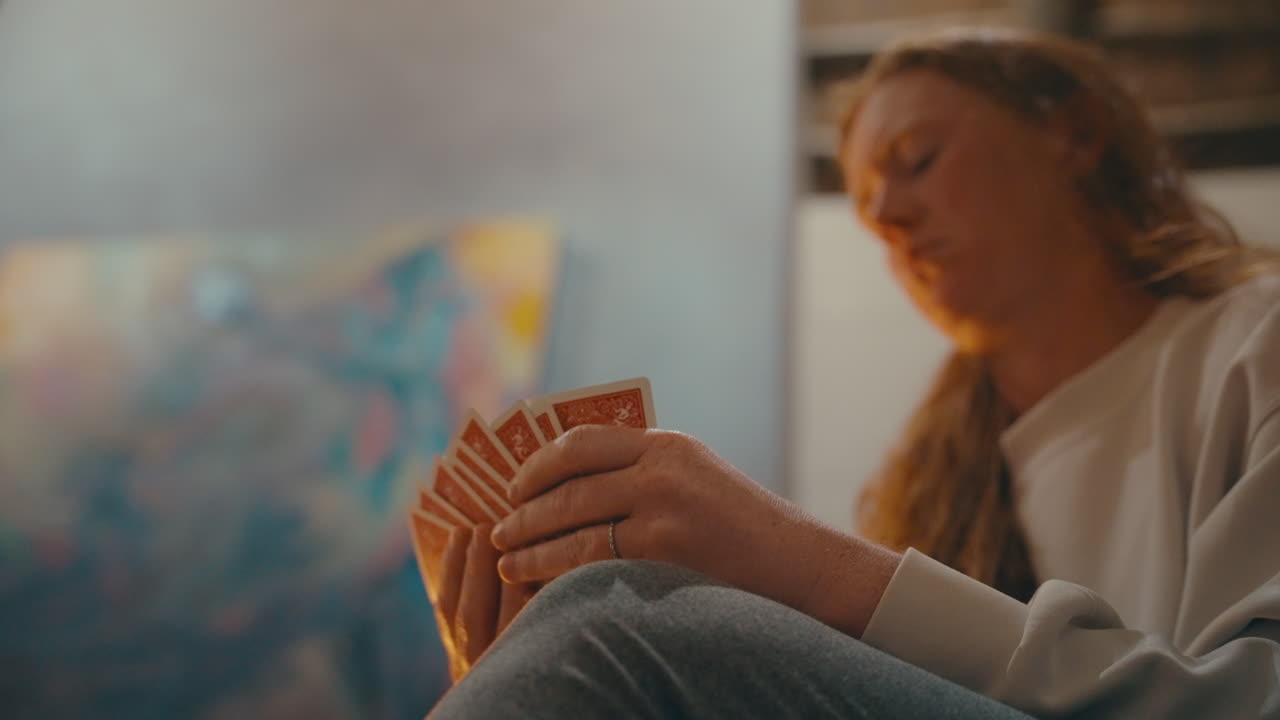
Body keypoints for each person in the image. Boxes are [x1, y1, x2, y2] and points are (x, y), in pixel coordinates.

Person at [424, 27, 1280, 719]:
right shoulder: (935, 485)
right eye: (869, 206)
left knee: (615, 619)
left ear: (1075, 136)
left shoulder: (1255, 341)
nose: (893, 218)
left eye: (917, 159)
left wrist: (799, 561)